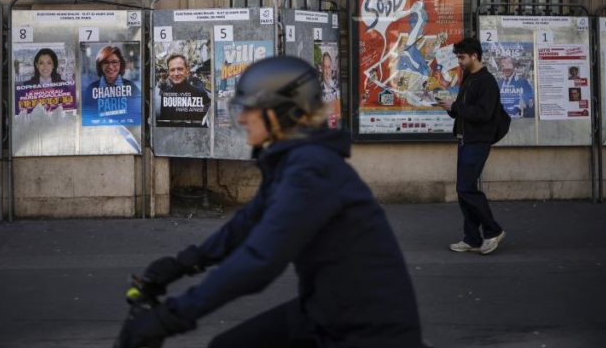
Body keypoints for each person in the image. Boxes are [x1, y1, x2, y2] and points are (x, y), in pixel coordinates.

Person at [118, 56, 424, 348]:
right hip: (326, 310)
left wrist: (171, 317)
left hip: (369, 330)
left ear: (282, 112)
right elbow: (245, 225)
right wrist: (181, 264)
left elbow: (260, 259)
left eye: (250, 108)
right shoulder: (293, 161)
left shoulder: (312, 170)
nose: (240, 117)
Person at [436, 37, 506, 256]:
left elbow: (483, 114)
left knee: (466, 188)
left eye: (462, 57)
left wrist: (456, 106)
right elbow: (465, 109)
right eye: (458, 57)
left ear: (475, 56)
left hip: (478, 141)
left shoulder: (486, 81)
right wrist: (450, 106)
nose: (460, 61)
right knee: (463, 190)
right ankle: (472, 238)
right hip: (465, 139)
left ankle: (493, 231)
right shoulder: (469, 77)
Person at [82, 45, 140, 123]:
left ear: (120, 64)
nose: (110, 66)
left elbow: (137, 116)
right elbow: (87, 117)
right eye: (106, 62)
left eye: (114, 62)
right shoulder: (91, 89)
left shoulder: (132, 88)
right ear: (100, 65)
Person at [156, 53, 211, 127]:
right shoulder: (165, 95)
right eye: (172, 70)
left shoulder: (201, 93)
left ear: (187, 71)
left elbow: (206, 123)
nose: (176, 73)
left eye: (180, 69)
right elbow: (164, 123)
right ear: (169, 73)